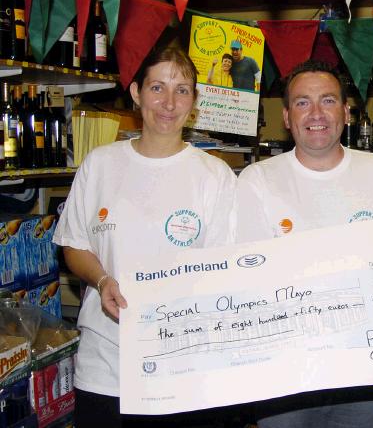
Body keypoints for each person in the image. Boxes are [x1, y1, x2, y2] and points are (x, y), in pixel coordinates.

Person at [53, 46, 237, 427]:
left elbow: (226, 268)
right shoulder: (101, 164)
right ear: (136, 93)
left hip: (184, 366)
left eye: (182, 90)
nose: (169, 103)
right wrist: (102, 280)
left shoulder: (214, 175)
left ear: (194, 101)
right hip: (106, 367)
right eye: (158, 87)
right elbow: (74, 243)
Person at [236, 60, 373, 427]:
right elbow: (245, 277)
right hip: (283, 370)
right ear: (287, 117)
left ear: (346, 112)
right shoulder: (258, 180)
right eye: (303, 103)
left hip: (361, 367)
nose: (316, 113)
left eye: (328, 101)